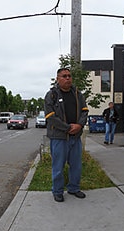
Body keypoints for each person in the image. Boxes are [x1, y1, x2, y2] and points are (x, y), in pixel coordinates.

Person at [44, 68, 89, 202]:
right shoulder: (51, 95)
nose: (68, 78)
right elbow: (50, 116)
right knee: (58, 166)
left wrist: (79, 125)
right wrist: (68, 127)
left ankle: (74, 188)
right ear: (58, 79)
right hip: (59, 137)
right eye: (64, 76)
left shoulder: (77, 94)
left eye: (69, 76)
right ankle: (57, 191)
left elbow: (84, 111)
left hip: (75, 137)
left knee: (76, 165)